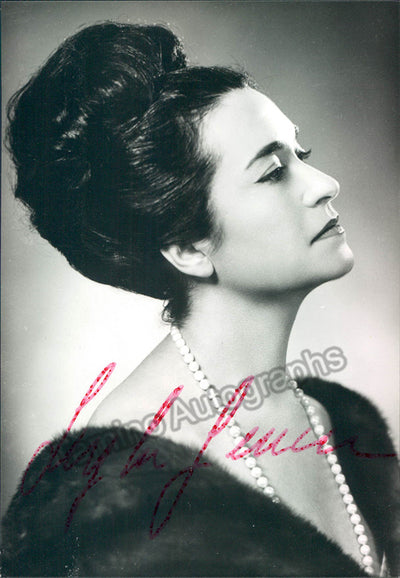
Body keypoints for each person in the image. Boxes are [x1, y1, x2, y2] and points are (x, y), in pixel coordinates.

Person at [1, 21, 399, 577]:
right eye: (273, 172)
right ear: (188, 248)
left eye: (301, 153)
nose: (324, 183)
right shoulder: (123, 485)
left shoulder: (339, 425)